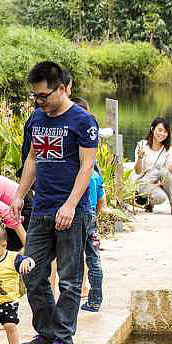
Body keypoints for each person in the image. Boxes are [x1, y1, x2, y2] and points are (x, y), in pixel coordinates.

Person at [10, 61, 99, 344]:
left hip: (72, 210)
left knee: (70, 279)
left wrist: (71, 204)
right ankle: (47, 331)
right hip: (42, 209)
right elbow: (33, 159)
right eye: (35, 96)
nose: (39, 101)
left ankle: (63, 338)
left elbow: (87, 166)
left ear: (62, 88)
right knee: (31, 272)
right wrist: (20, 195)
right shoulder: (37, 118)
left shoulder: (83, 121)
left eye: (44, 95)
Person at [72, 97, 107, 312]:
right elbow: (102, 200)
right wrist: (96, 216)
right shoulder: (95, 174)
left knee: (75, 259)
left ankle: (74, 297)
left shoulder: (80, 174)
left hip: (80, 215)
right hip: (92, 216)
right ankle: (95, 300)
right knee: (93, 259)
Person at [133, 117, 172, 214]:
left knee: (164, 171)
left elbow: (168, 173)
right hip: (143, 184)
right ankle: (148, 202)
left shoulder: (167, 149)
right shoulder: (142, 145)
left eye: (165, 132)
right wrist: (140, 158)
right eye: (160, 130)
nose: (162, 134)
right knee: (161, 197)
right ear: (152, 129)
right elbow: (137, 171)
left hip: (158, 182)